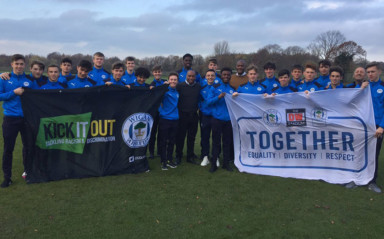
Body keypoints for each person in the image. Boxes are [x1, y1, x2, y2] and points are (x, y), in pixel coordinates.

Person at [346, 62, 383, 193]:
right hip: (361, 125)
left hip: (376, 128)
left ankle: (372, 182)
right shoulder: (363, 86)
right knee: (358, 152)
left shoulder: (383, 87)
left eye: (373, 72)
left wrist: (382, 126)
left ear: (379, 72)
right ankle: (355, 179)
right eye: (368, 72)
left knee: (373, 155)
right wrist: (360, 89)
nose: (370, 74)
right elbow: (351, 102)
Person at [0, 54, 33, 188]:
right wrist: (14, 92)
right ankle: (7, 177)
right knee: (8, 149)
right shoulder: (4, 79)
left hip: (26, 119)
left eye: (21, 64)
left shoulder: (29, 80)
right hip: (10, 118)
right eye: (16, 64)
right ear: (12, 64)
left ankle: (28, 173)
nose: (19, 66)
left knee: (28, 147)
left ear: (24, 65)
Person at [207, 67, 236, 172]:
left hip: (228, 120)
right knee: (216, 142)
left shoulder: (232, 89)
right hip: (217, 119)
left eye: (228, 75)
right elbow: (208, 102)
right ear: (221, 75)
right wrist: (218, 97)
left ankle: (226, 164)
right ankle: (214, 164)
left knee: (227, 142)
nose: (226, 76)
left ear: (230, 76)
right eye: (224, 74)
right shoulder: (215, 87)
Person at [175, 70, 201, 165]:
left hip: (194, 115)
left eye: (193, 76)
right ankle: (178, 155)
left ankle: (190, 156)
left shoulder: (198, 86)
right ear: (186, 76)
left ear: (195, 77)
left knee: (191, 137)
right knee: (180, 137)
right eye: (189, 76)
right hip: (182, 116)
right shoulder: (180, 86)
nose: (191, 78)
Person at [158, 72, 179, 170]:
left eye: (175, 79)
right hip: (165, 119)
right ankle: (163, 161)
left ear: (177, 81)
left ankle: (170, 160)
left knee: (172, 141)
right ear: (168, 80)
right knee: (163, 141)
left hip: (175, 120)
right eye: (172, 79)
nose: (173, 81)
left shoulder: (177, 92)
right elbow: (157, 100)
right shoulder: (165, 90)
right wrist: (162, 112)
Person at [148, 65, 166, 159]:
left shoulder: (164, 82)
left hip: (163, 112)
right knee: (153, 133)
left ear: (161, 72)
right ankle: (151, 151)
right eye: (155, 72)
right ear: (153, 73)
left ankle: (160, 150)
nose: (157, 73)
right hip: (154, 112)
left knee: (162, 133)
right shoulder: (151, 84)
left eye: (159, 71)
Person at [199, 69, 216, 166]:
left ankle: (215, 156)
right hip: (205, 115)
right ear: (205, 77)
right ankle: (205, 156)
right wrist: (202, 109)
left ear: (215, 77)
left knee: (216, 137)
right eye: (208, 75)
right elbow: (199, 100)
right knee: (205, 136)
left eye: (212, 75)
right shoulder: (202, 88)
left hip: (216, 116)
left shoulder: (218, 88)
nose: (210, 77)